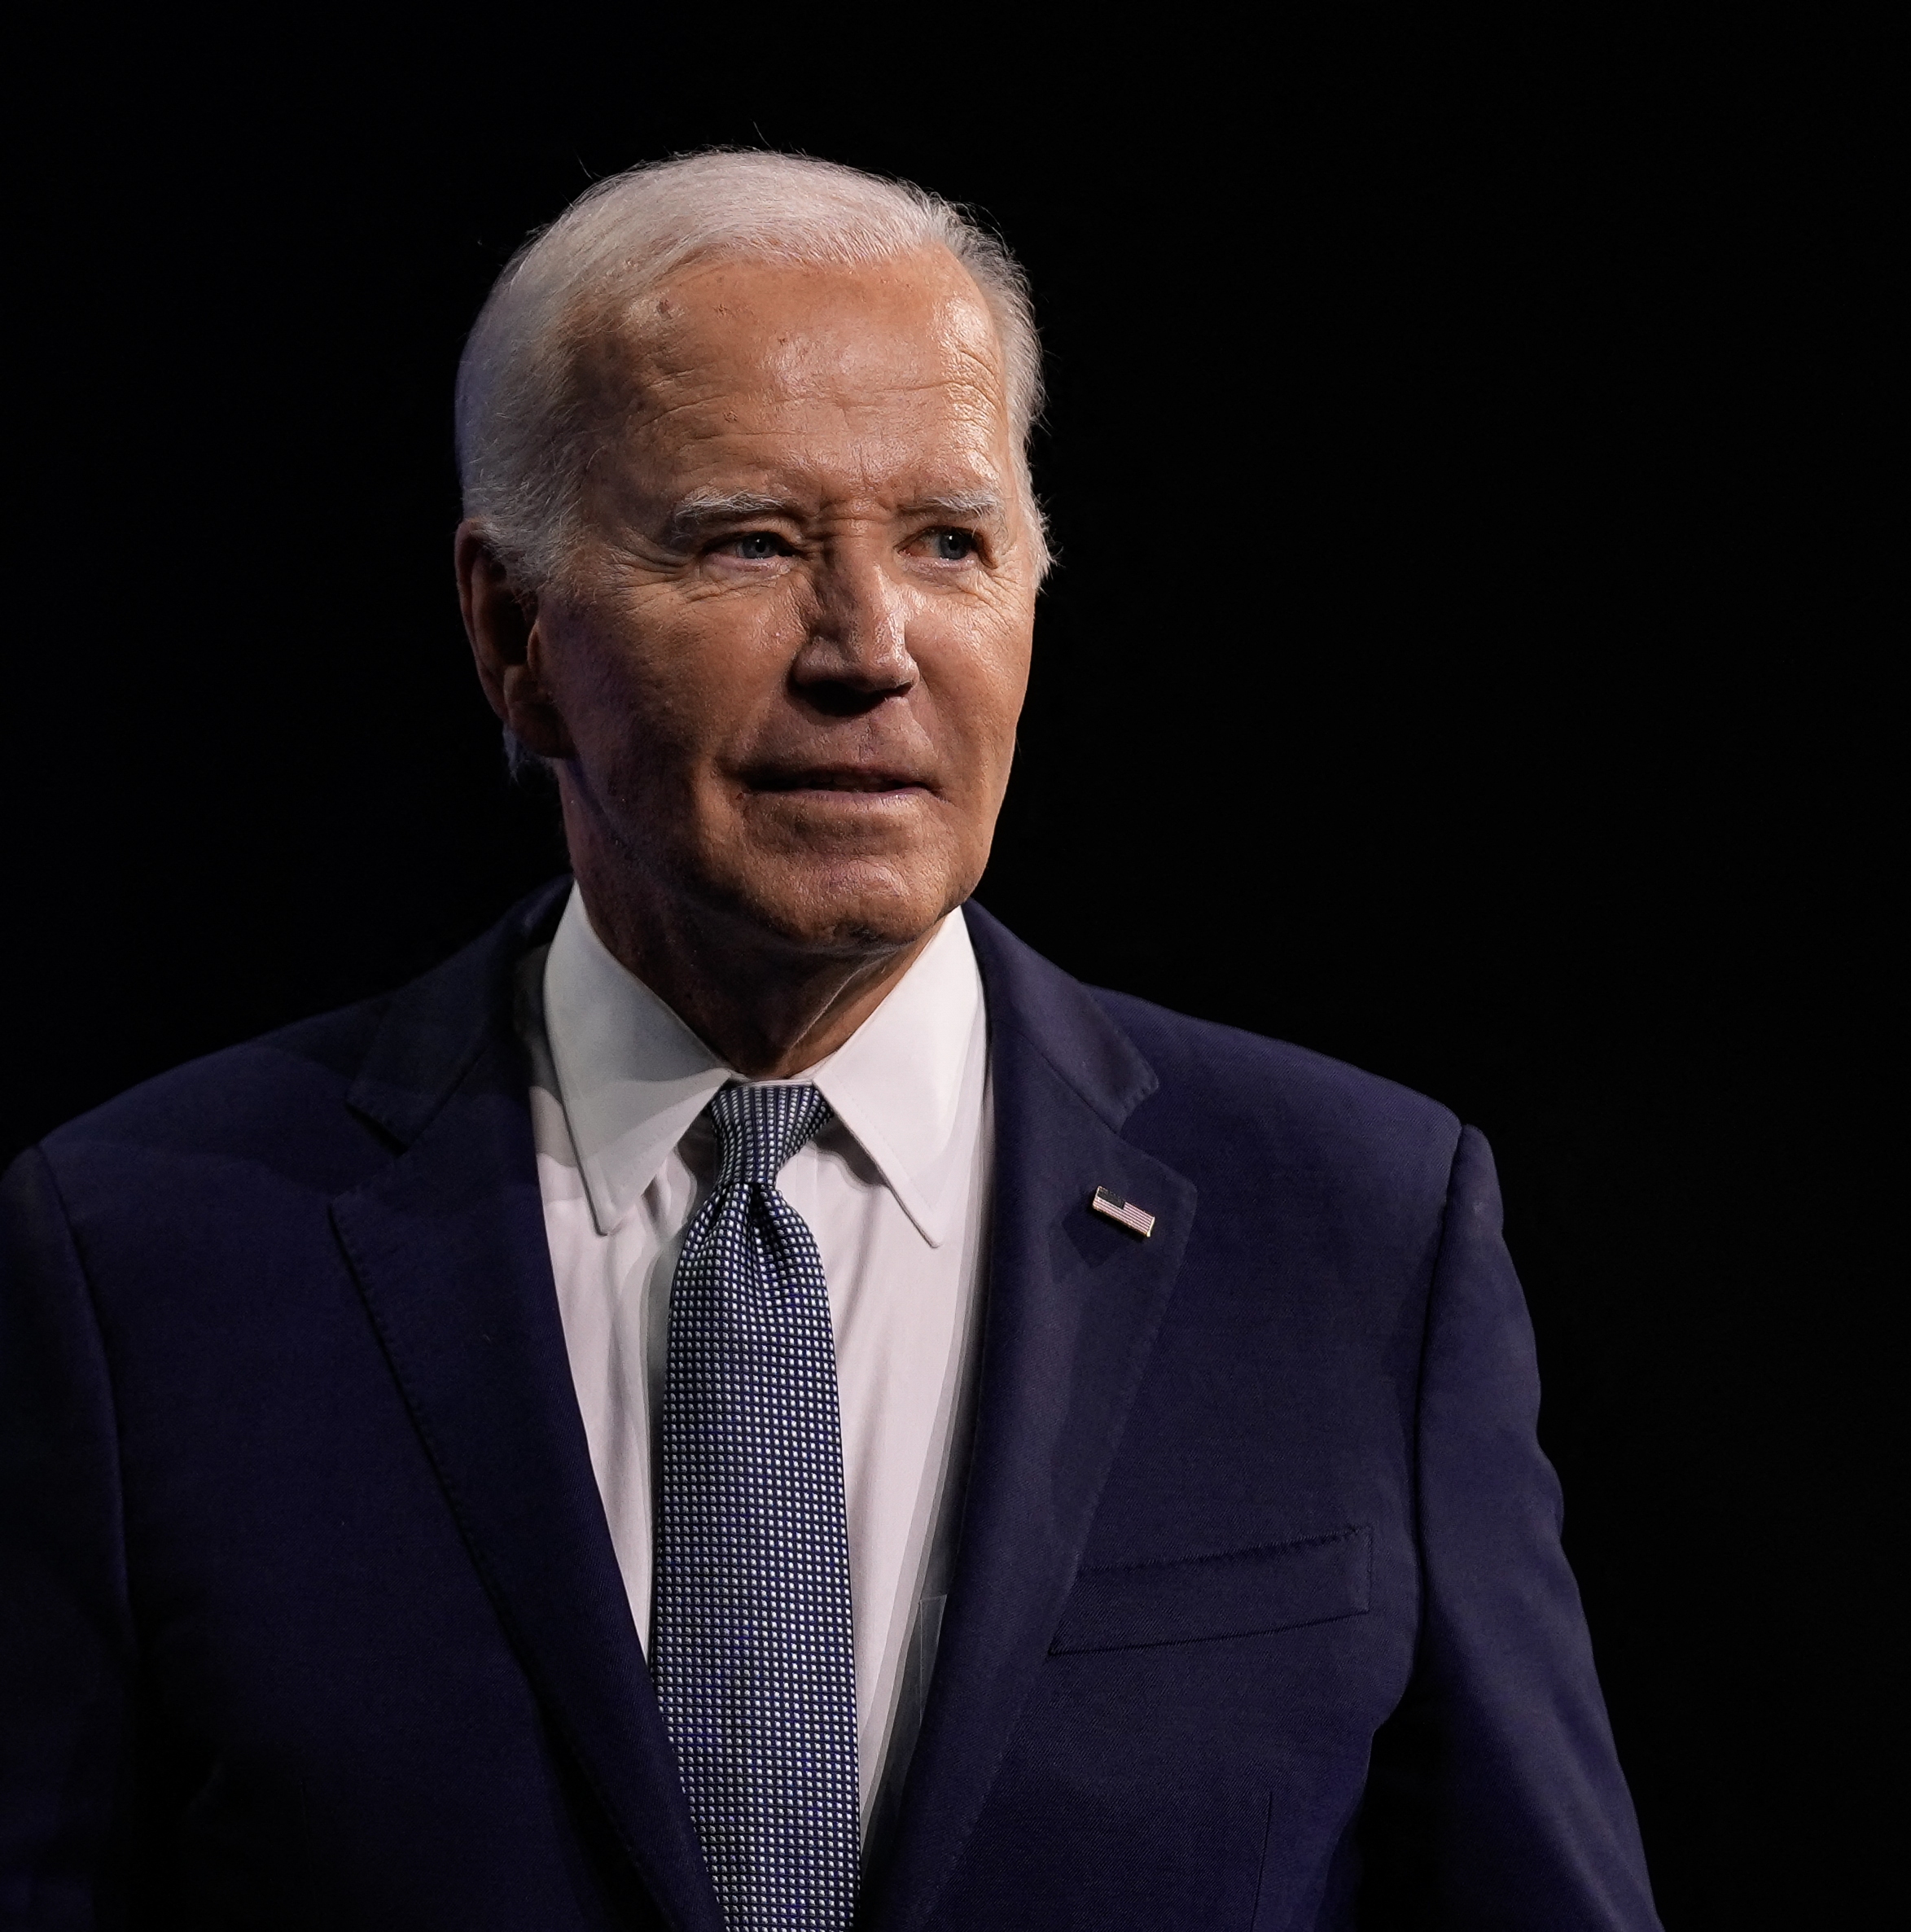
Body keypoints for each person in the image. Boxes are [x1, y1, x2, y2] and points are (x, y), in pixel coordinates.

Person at [0, 151, 1658, 1930]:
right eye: (750, 542)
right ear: (512, 631)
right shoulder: (143, 1258)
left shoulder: (1357, 1230)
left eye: (949, 540)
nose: (870, 649)